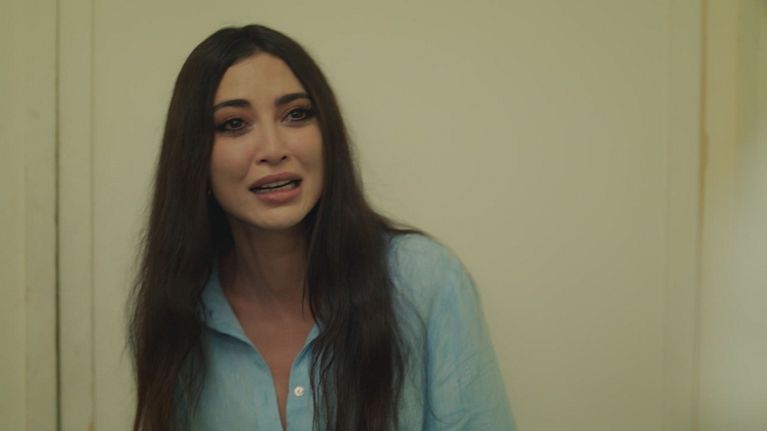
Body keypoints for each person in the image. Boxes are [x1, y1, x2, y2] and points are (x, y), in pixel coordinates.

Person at [129, 24, 514, 431]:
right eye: (234, 123)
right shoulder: (180, 307)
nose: (273, 149)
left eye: (296, 114)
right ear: (194, 157)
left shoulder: (425, 281)